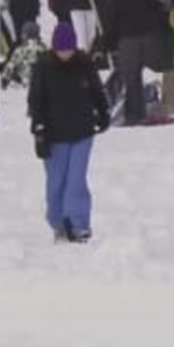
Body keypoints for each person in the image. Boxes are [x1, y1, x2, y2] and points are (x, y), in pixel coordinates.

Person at [29, 22, 110, 243]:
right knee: (56, 182)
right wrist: (39, 129)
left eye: (69, 49)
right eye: (61, 50)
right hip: (54, 135)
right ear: (54, 48)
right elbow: (36, 100)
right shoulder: (43, 67)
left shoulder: (84, 64)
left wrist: (103, 112)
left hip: (82, 131)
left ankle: (79, 223)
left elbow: (96, 90)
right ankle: (58, 223)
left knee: (76, 180)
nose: (65, 54)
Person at [111, 0, 165, 125]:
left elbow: (112, 15)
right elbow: (156, 6)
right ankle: (142, 110)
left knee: (131, 76)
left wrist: (108, 38)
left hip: (127, 37)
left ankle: (133, 114)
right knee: (140, 74)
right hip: (146, 35)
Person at [1, 21, 46, 90]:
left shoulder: (21, 49)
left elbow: (11, 64)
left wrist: (5, 78)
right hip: (41, 80)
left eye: (23, 34)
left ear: (27, 35)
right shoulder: (43, 47)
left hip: (24, 80)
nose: (21, 36)